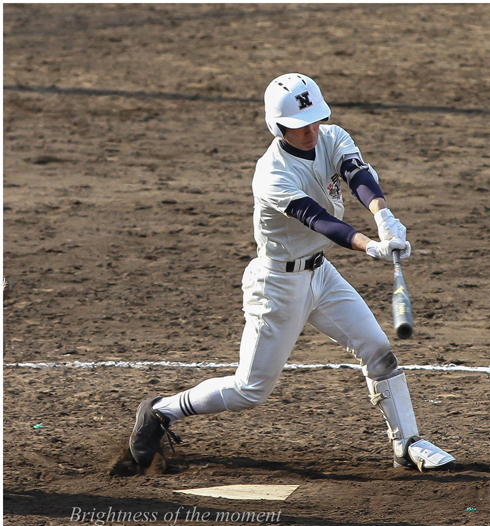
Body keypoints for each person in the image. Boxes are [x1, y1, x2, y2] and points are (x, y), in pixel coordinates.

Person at [129, 73, 455, 471]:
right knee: (250, 390)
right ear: (278, 125)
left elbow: (357, 175)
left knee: (378, 349)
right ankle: (162, 410)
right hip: (278, 285)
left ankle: (407, 443)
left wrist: (383, 215)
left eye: (315, 120)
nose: (311, 131)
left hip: (321, 274)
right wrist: (370, 245)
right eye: (300, 126)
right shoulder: (272, 173)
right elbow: (318, 220)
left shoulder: (331, 136)